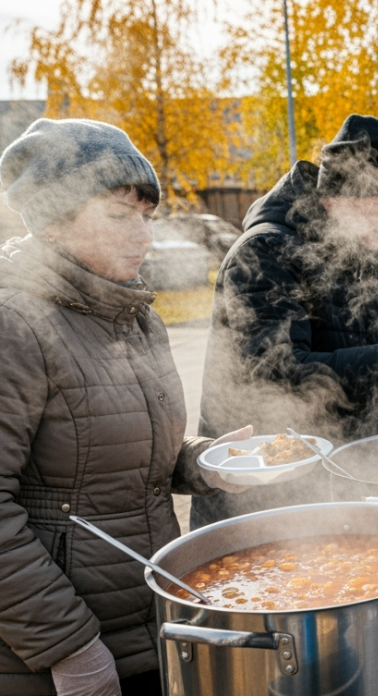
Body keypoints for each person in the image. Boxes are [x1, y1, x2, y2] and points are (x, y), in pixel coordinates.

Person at [0, 118, 249, 696]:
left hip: (146, 626)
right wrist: (70, 648)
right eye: (119, 215)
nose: (144, 235)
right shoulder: (15, 325)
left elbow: (125, 463)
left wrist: (204, 463)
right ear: (55, 220)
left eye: (147, 216)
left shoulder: (136, 318)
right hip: (53, 659)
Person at [198, 115, 378, 528]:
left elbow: (367, 372)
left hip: (332, 478)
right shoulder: (264, 252)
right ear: (342, 195)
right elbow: (277, 376)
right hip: (262, 493)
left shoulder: (362, 254)